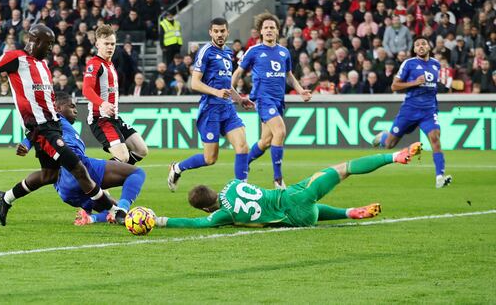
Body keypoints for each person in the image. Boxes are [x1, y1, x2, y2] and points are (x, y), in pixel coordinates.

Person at [0, 24, 115, 226]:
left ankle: (6, 198)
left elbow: (46, 99)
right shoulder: (16, 58)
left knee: (50, 175)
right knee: (79, 169)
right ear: (36, 40)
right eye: (49, 44)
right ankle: (115, 211)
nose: (50, 48)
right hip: (42, 130)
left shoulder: (43, 66)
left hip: (52, 125)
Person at [155, 143, 423, 228]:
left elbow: (195, 224)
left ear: (206, 208)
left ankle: (349, 212)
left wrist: (160, 221)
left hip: (298, 218)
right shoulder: (233, 183)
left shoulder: (223, 217)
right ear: (213, 190)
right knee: (345, 168)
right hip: (293, 194)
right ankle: (394, 156)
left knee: (311, 207)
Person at [17, 93, 146, 225]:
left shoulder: (61, 126)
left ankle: (91, 218)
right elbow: (36, 131)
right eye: (71, 106)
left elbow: (37, 133)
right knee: (137, 173)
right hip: (78, 169)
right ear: (58, 108)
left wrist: (27, 146)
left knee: (112, 210)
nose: (76, 110)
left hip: (65, 190)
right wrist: (26, 145)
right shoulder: (54, 119)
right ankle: (123, 210)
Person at [168, 18, 254, 192]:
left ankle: (241, 191)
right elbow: (195, 83)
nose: (220, 34)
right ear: (210, 32)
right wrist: (216, 92)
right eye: (216, 31)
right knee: (210, 159)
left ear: (227, 32)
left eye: (223, 31)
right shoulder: (205, 51)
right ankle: (177, 168)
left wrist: (239, 99)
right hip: (210, 110)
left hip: (228, 108)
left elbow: (226, 84)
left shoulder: (228, 52)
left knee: (243, 147)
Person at [231, 12, 312, 189]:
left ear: (277, 31)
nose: (269, 30)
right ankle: (278, 179)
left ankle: (245, 162)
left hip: (278, 100)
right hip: (262, 98)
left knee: (266, 141)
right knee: (280, 131)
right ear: (261, 31)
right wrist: (230, 90)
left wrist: (300, 90)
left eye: (272, 28)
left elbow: (289, 75)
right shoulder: (254, 51)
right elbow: (238, 72)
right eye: (266, 28)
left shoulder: (284, 52)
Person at [373, 36, 452, 188]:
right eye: (417, 45)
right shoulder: (409, 63)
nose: (421, 46)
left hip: (428, 111)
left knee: (435, 140)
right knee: (390, 144)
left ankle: (440, 177)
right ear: (414, 49)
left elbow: (434, 87)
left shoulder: (436, 64)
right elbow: (394, 86)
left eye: (424, 43)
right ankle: (383, 137)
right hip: (410, 110)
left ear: (429, 47)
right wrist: (414, 83)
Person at [83, 24, 148, 164]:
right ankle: (95, 179)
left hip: (114, 119)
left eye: (112, 44)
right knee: (123, 157)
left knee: (141, 150)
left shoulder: (110, 64)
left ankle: (112, 176)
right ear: (97, 44)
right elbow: (86, 90)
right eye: (106, 43)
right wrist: (103, 103)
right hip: (100, 119)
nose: (110, 47)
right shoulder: (94, 64)